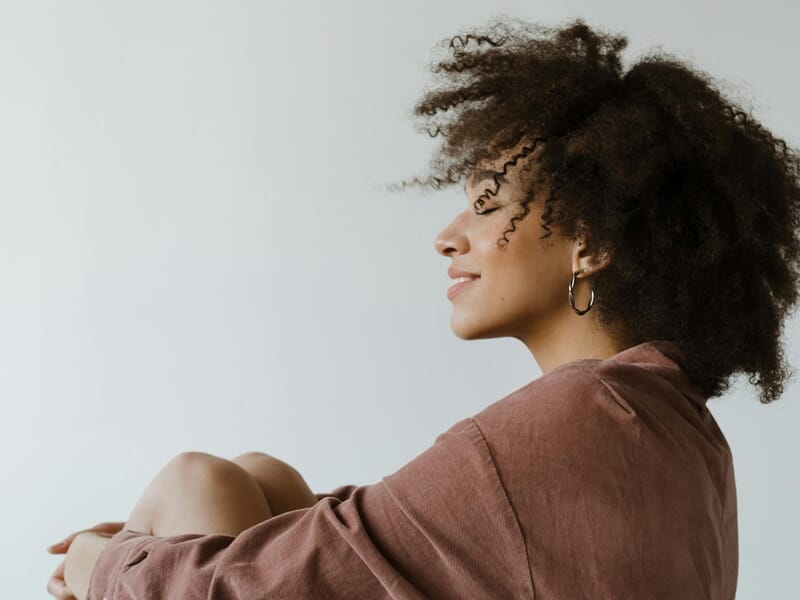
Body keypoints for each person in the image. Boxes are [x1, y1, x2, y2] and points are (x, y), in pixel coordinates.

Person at [46, 16, 800, 600]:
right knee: (258, 479)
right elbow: (391, 536)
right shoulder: (674, 425)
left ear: (591, 241)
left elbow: (266, 584)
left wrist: (101, 564)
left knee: (195, 484)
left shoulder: (575, 417)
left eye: (487, 204)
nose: (448, 237)